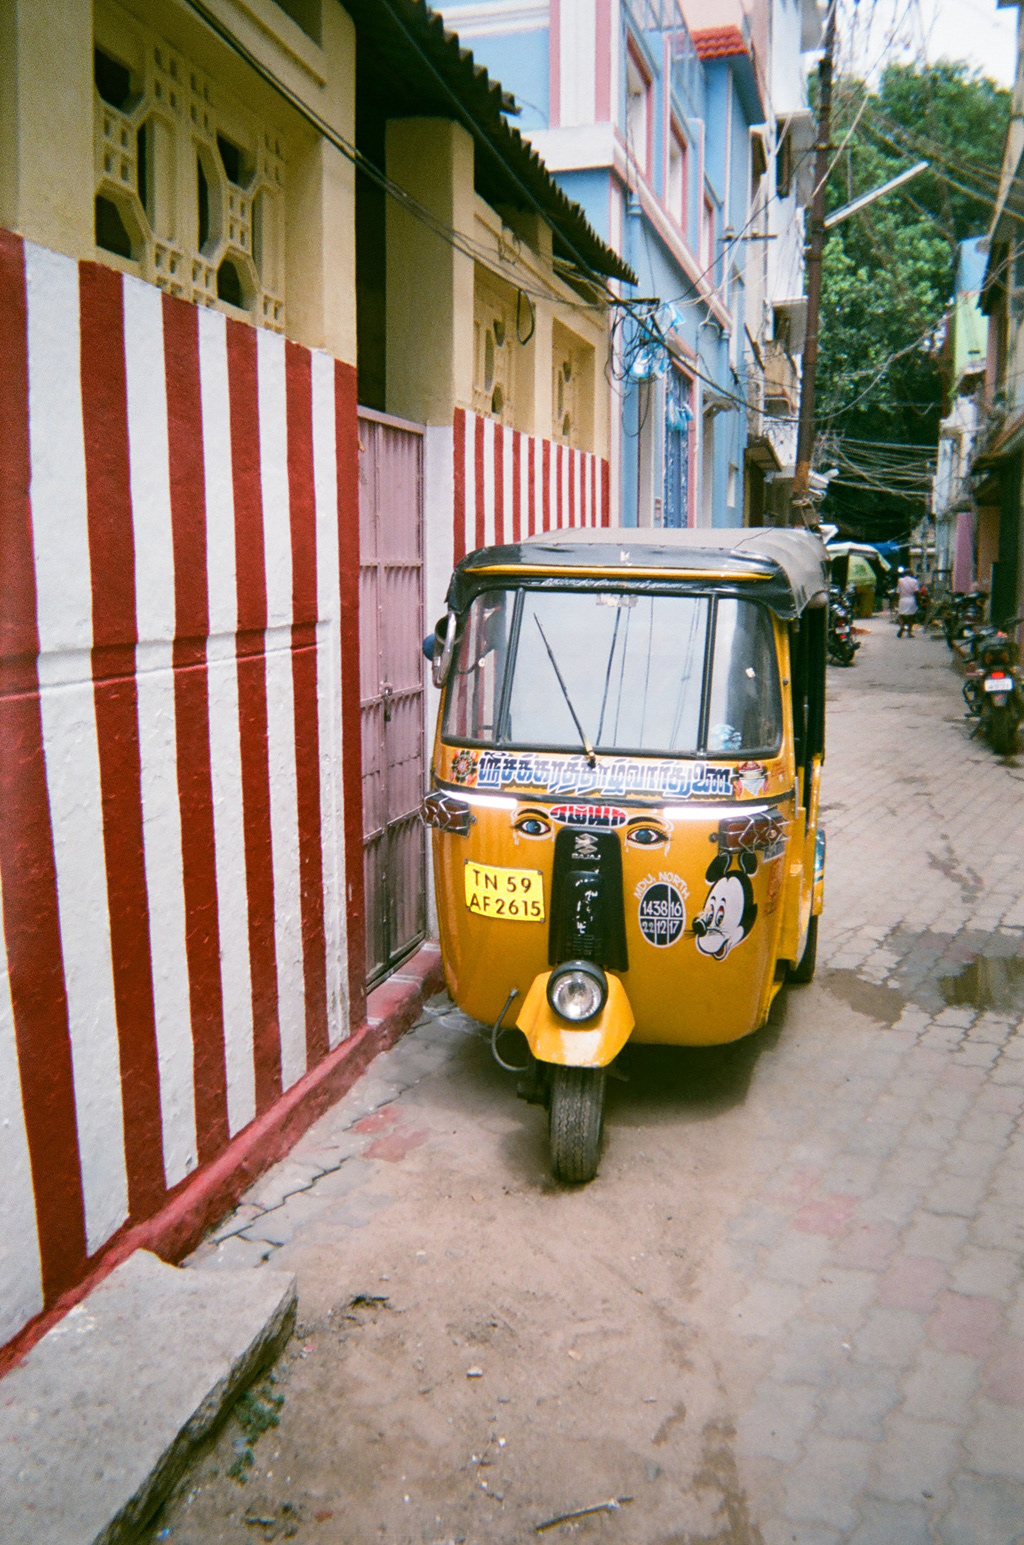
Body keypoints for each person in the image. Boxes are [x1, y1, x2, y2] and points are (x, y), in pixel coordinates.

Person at [896, 567, 921, 637]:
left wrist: (896, 601)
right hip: (911, 599)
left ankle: (902, 626)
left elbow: (897, 592)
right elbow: (917, 592)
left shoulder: (900, 580)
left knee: (901, 615)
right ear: (911, 574)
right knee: (910, 617)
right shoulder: (915, 581)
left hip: (902, 600)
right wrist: (919, 601)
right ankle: (909, 633)